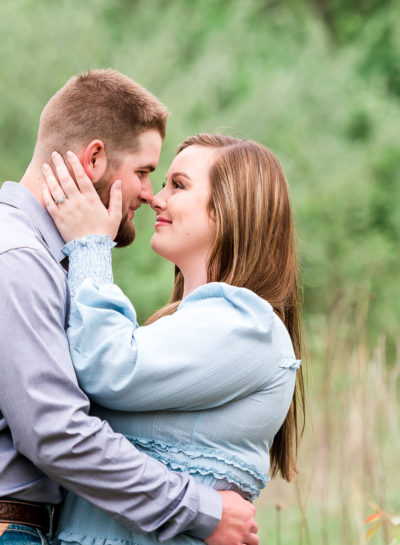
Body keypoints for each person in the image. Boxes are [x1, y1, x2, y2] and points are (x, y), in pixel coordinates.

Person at [0, 70, 258, 545]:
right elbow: (55, 432)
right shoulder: (18, 259)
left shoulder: (34, 256)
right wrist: (200, 509)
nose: (149, 193)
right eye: (143, 171)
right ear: (95, 157)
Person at [41, 133, 305, 545]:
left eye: (177, 185)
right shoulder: (187, 323)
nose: (155, 198)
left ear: (229, 209)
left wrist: (90, 246)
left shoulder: (247, 326)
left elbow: (110, 368)